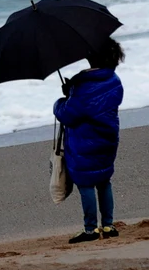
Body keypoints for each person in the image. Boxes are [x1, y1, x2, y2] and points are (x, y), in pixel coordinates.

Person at [53, 37, 124, 244]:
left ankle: (91, 229)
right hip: (108, 138)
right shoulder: (114, 80)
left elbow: (68, 114)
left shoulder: (83, 86)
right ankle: (109, 225)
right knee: (103, 180)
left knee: (86, 184)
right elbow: (92, 105)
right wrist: (72, 92)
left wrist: (61, 100)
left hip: (85, 143)